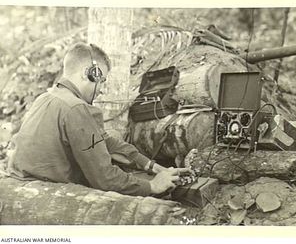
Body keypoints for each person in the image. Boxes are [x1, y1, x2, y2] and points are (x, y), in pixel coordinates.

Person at [8, 42, 188, 196]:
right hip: (46, 195)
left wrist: (152, 166)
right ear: (89, 73)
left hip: (20, 184)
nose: (101, 89)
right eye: (101, 80)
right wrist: (153, 185)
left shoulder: (46, 97)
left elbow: (103, 141)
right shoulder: (77, 108)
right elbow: (105, 179)